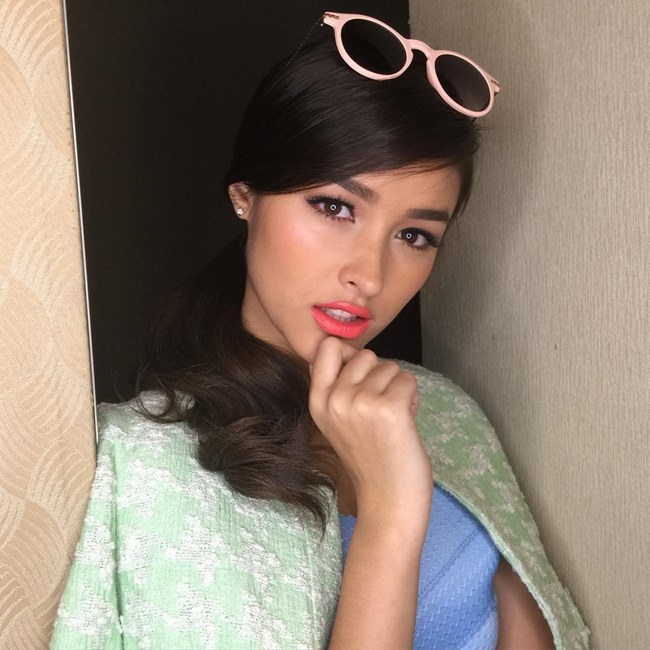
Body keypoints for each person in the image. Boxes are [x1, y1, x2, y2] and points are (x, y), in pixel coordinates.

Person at [50, 12, 589, 650]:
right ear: (246, 194)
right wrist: (389, 514)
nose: (369, 274)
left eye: (414, 235)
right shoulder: (141, 462)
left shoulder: (442, 411)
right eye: (335, 207)